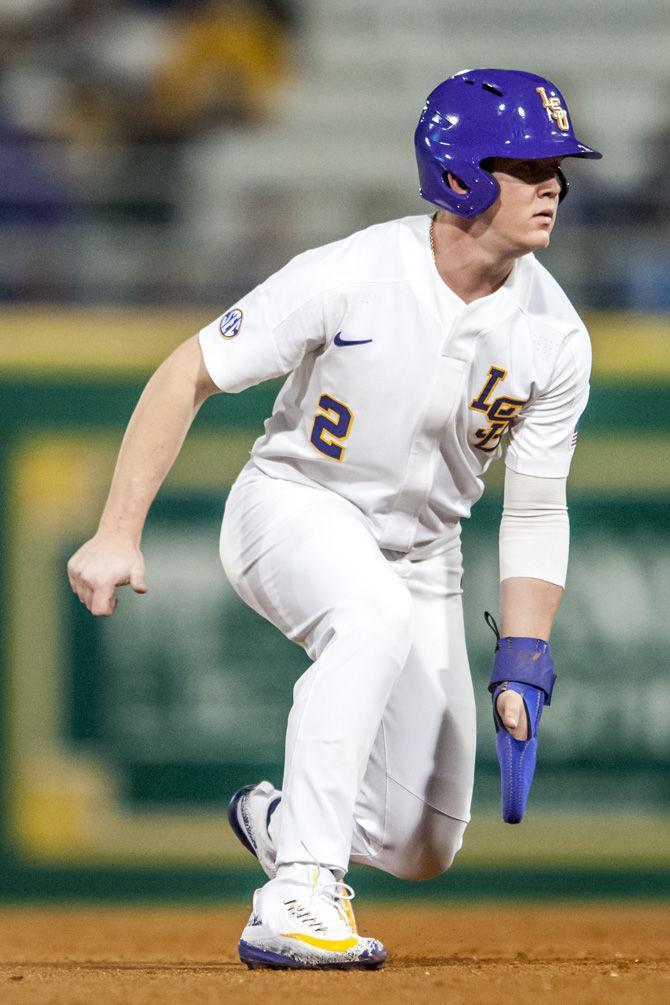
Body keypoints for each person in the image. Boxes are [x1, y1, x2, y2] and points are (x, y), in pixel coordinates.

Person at [67, 68, 601, 971]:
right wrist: (118, 528)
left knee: (424, 840)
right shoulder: (355, 270)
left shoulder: (556, 335)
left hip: (426, 553)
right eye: (528, 161)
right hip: (292, 506)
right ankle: (299, 889)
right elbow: (185, 373)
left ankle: (281, 822)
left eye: (559, 165)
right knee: (370, 616)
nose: (553, 182)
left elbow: (538, 505)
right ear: (462, 172)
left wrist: (523, 654)